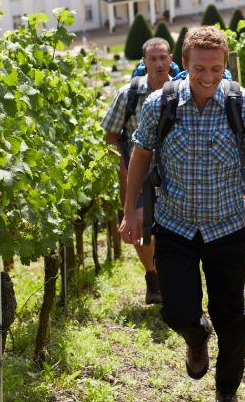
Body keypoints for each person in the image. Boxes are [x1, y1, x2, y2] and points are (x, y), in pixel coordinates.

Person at [119, 26, 245, 402]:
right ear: (185, 65)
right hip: (175, 227)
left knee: (232, 319)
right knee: (175, 311)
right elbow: (140, 154)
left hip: (227, 229)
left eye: (214, 68)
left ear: (224, 64)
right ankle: (195, 335)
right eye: (199, 69)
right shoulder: (160, 104)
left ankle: (226, 392)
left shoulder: (244, 104)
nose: (207, 77)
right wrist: (131, 210)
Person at [102, 37, 174, 304]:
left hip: (173, 174)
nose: (158, 63)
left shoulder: (181, 91)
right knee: (141, 228)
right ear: (143, 62)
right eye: (152, 58)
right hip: (139, 173)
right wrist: (122, 171)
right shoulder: (129, 94)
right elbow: (110, 134)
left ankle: (170, 274)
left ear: (170, 59)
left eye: (162, 57)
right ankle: (153, 274)